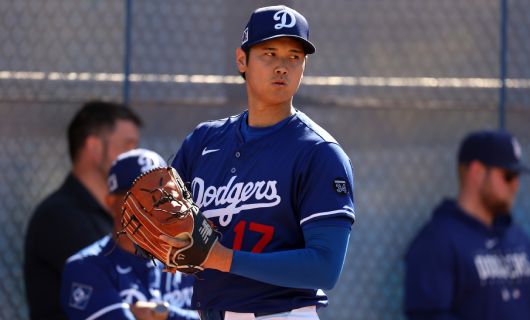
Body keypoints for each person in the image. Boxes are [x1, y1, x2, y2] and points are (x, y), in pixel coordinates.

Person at [164, 5, 356, 320]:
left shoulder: (319, 152)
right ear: (242, 60)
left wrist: (222, 258)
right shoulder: (203, 142)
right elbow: (169, 225)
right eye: (269, 53)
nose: (282, 66)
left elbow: (324, 267)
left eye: (294, 57)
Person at [24, 100, 143, 320]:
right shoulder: (59, 216)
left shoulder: (109, 213)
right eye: (128, 146)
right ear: (95, 148)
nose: (136, 155)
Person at [404, 129, 530, 320]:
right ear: (477, 172)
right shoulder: (438, 241)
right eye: (508, 176)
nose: (515, 185)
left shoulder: (517, 237)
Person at [60, 148, 199, 320]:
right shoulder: (86, 267)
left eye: (163, 195)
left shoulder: (192, 260)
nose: (153, 206)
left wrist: (163, 313)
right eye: (140, 196)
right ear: (111, 203)